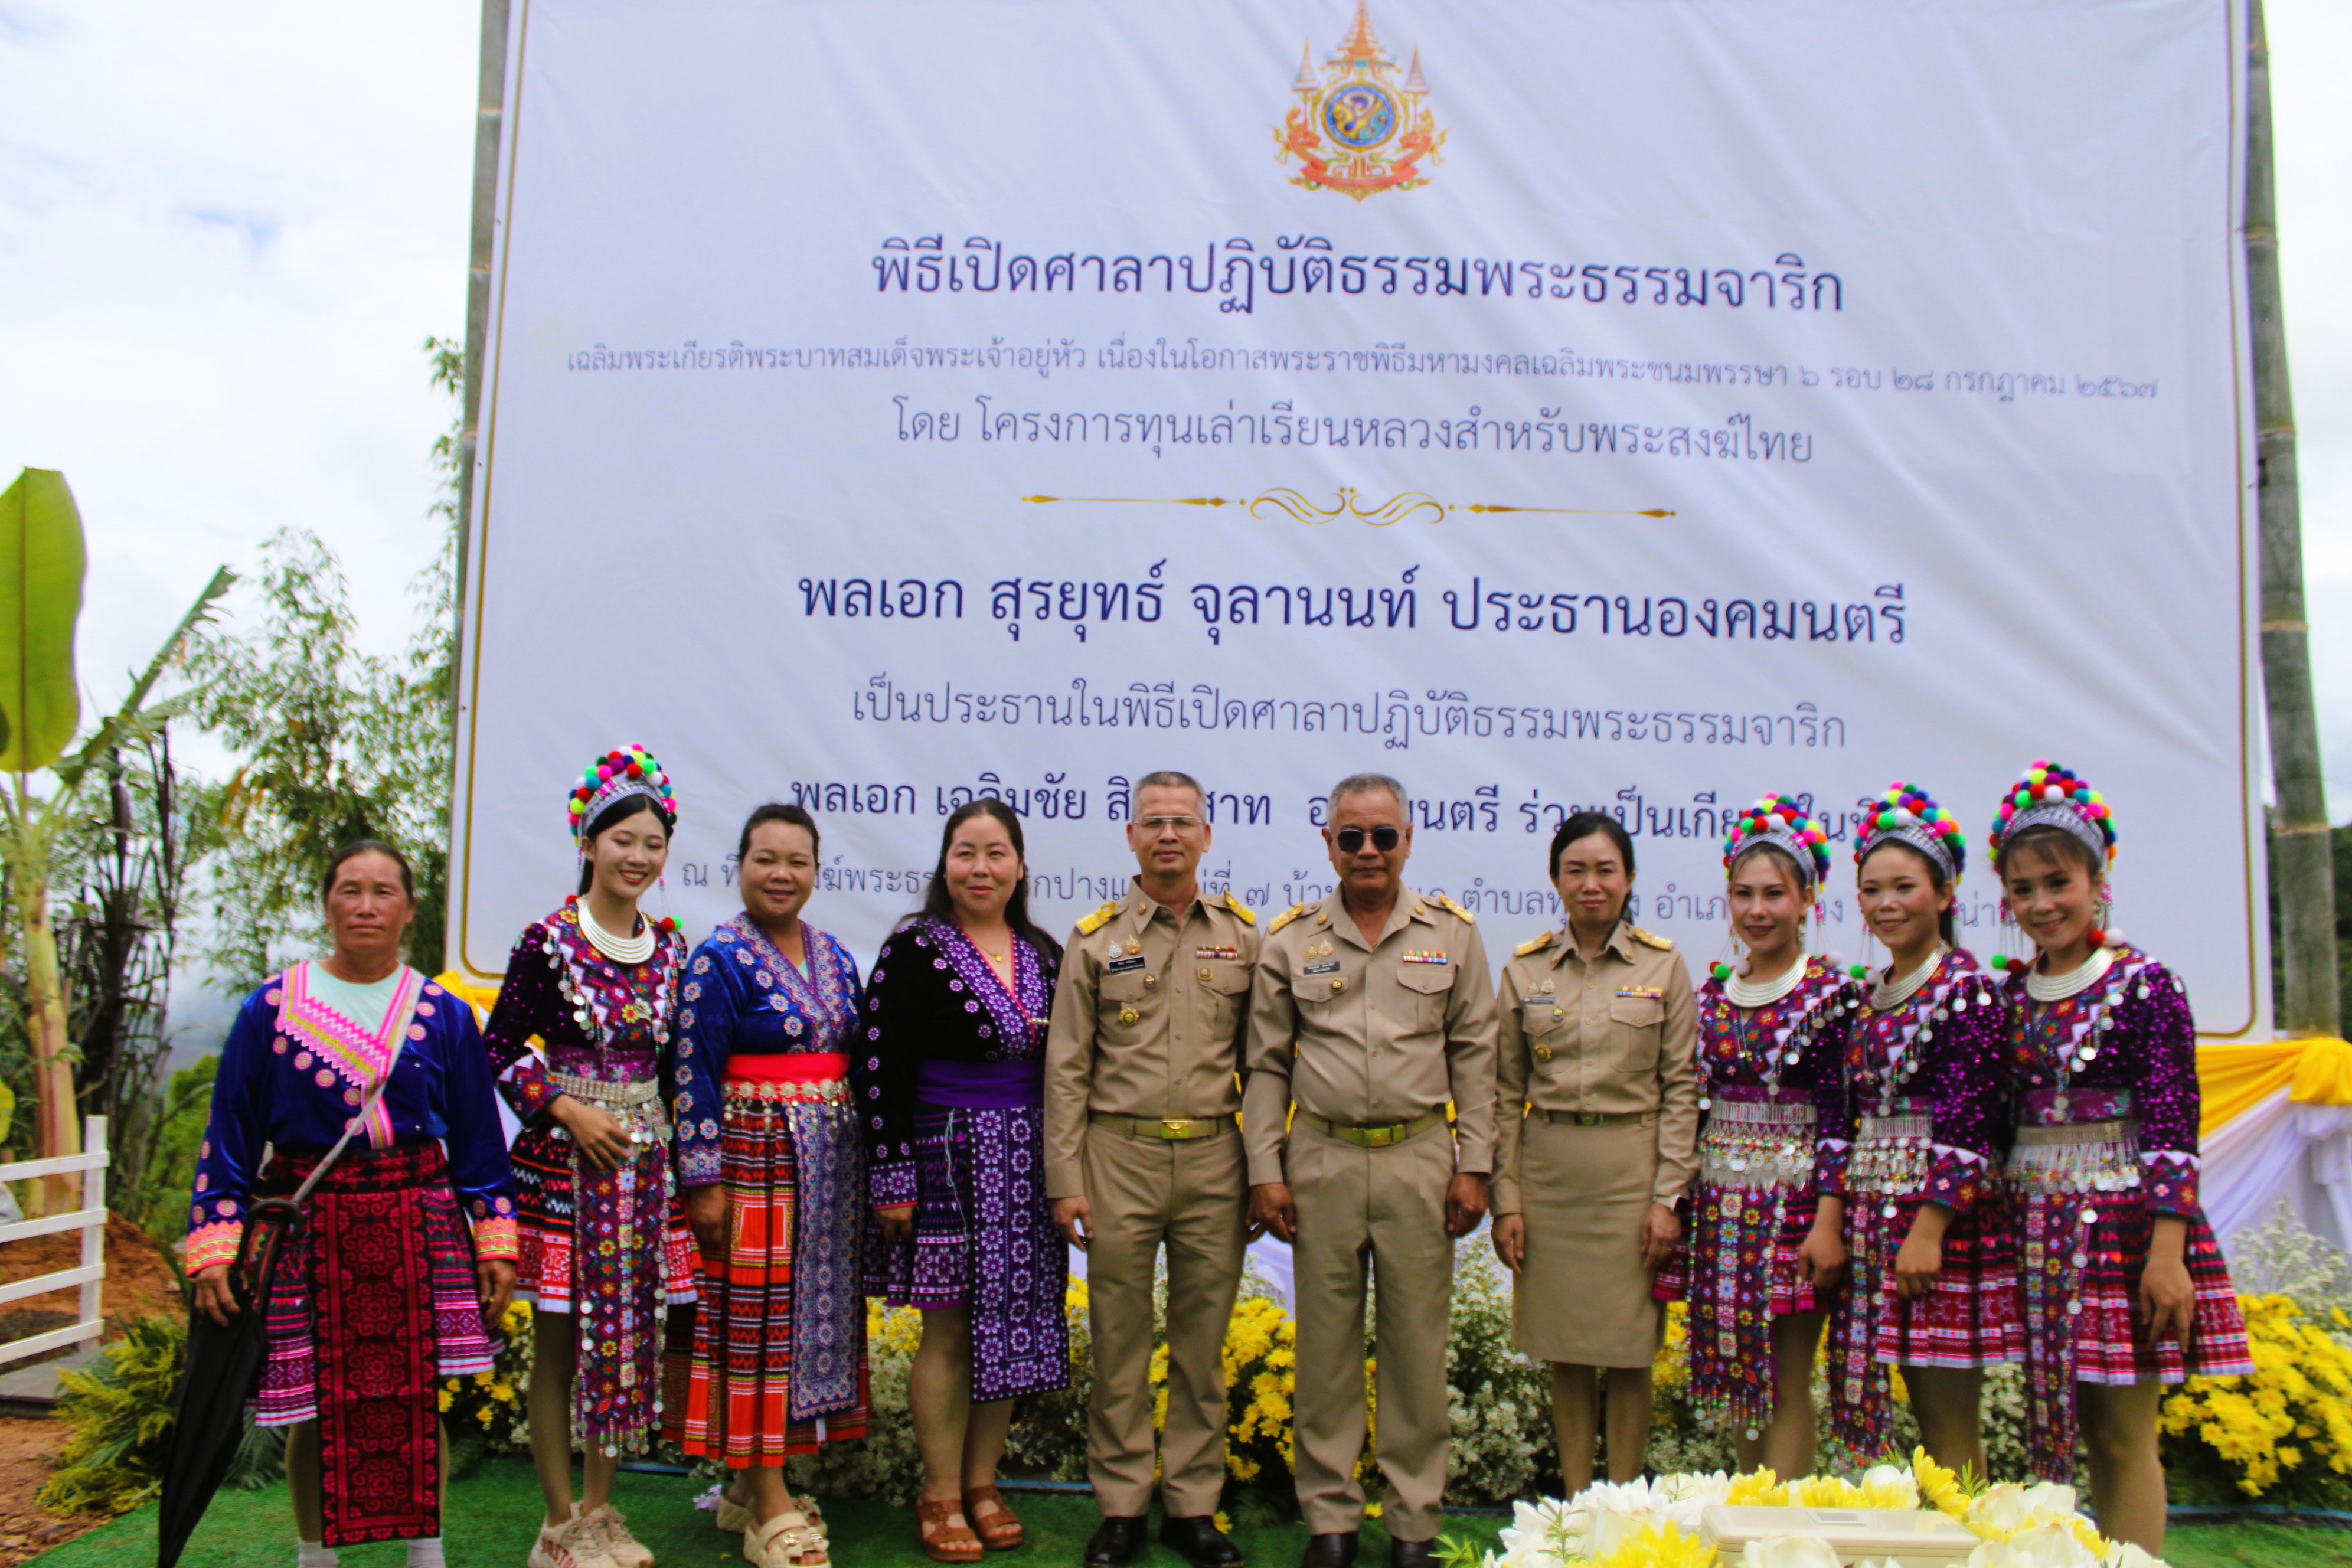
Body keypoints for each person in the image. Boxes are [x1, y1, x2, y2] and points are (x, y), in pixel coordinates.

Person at [187, 839, 518, 1568]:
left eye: (382, 892)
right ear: (327, 903)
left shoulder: (443, 1014)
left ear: (408, 909)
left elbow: (477, 1139)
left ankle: (424, 1549)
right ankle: (316, 1553)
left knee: (412, 1389)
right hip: (313, 1223)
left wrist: (495, 1237)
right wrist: (215, 1243)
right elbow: (230, 1137)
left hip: (416, 1215)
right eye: (349, 891)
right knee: (311, 1395)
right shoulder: (270, 1010)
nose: (365, 906)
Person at [1987, 762, 2252, 1552]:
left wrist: (2167, 1254)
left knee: (2123, 1436)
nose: (2041, 904)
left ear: (2099, 880)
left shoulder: (2145, 987)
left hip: (2124, 1228)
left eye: (2057, 882)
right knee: (2050, 1440)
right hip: (2032, 1227)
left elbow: (2174, 1123)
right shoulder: (2008, 996)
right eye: (2023, 889)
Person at [1244, 773, 1497, 1568]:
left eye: (1382, 836)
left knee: (1417, 1351)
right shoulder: (1292, 940)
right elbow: (1266, 1065)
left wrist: (1477, 1164)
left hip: (1421, 1158)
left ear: (1408, 841)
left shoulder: (1451, 934)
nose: (1367, 851)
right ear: (1328, 844)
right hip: (1319, 1155)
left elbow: (1477, 1058)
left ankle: (1415, 1524)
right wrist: (1265, 1168)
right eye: (1350, 837)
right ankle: (1332, 1521)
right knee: (1324, 1350)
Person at [482, 746, 698, 1568]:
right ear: (589, 842)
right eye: (623, 840)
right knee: (563, 1339)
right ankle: (557, 1521)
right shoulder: (548, 943)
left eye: (653, 843)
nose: (638, 857)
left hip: (645, 1171)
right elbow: (499, 1047)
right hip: (567, 1170)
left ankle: (605, 1512)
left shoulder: (672, 951)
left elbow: (677, 1068)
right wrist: (568, 1110)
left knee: (628, 1333)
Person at [1045, 771, 1258, 1568]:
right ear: (1130, 837)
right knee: (1122, 1340)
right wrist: (1065, 1178)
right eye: (1153, 822)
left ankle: (1195, 1506)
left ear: (1208, 836)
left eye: (1183, 822)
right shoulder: (1095, 939)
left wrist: (1263, 1167)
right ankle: (1124, 1504)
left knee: (1203, 1345)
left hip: (1214, 1155)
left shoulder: (1244, 935)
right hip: (1119, 1155)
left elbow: (1265, 1064)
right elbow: (1067, 1066)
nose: (1168, 834)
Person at [855, 800, 1069, 1564]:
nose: (981, 868)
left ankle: (983, 1484)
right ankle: (940, 1491)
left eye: (996, 853)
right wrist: (891, 1174)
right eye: (966, 853)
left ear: (1019, 866)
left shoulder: (1045, 953)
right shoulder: (915, 949)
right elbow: (878, 1067)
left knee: (1008, 1323)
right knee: (946, 1329)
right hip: (942, 1153)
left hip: (1028, 1160)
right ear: (945, 864)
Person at [673, 803, 868, 1568]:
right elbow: (690, 1075)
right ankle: (770, 1500)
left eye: (796, 861)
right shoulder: (718, 958)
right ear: (741, 864)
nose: (781, 874)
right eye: (766, 859)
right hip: (753, 1163)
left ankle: (747, 1490)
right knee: (754, 1327)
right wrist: (703, 1184)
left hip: (826, 1173)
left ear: (817, 871)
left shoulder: (833, 955)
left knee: (796, 1325)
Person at [1490, 811, 1697, 1497]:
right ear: (1555, 879)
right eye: (1576, 870)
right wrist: (1508, 1201)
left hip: (1630, 1175)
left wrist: (1668, 1200)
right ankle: (1581, 1504)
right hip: (1551, 1176)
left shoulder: (1664, 966)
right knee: (1567, 1349)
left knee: (1629, 1350)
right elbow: (1502, 1092)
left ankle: (1626, 1503)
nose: (1591, 884)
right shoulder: (1525, 970)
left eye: (1605, 869)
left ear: (1629, 878)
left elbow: (1681, 1091)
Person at [1827, 782, 2020, 1474]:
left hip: (1933, 1225)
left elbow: (1972, 1117)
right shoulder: (1868, 996)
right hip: (1873, 1216)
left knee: (1944, 1418)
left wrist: (1929, 1228)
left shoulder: (1967, 991)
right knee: (1887, 1410)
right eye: (1872, 889)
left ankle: (1976, 1545)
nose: (1886, 903)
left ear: (1944, 894)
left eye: (1903, 886)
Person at [1660, 794, 1854, 1479]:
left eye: (1775, 893)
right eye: (1743, 894)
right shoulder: (1712, 995)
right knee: (1739, 1376)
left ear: (1807, 899)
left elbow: (1841, 1116)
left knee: (1785, 1375)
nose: (1758, 910)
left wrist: (1828, 1219)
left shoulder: (1833, 993)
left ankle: (1790, 1537)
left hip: (1796, 1207)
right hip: (1720, 1207)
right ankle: (1752, 1529)